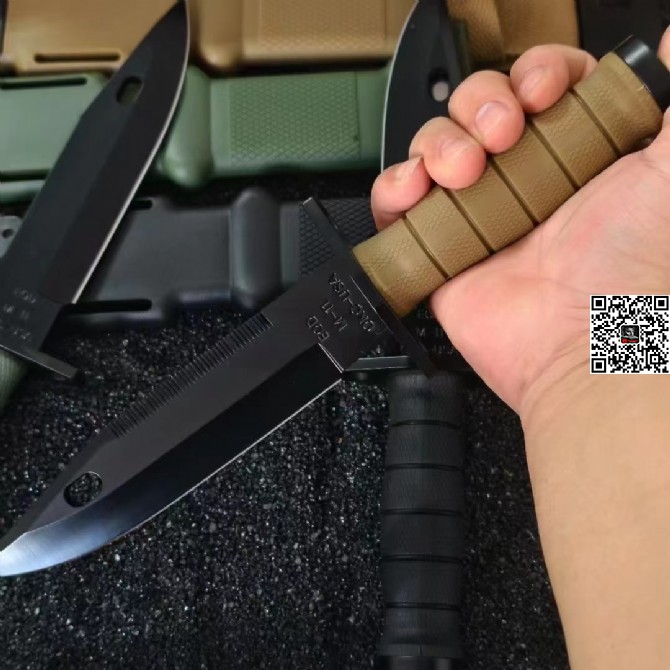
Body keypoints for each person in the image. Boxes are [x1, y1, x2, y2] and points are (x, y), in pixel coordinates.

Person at [370, 29, 670, 670]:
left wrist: (574, 362)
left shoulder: (591, 339)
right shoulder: (599, 335)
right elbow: (605, 364)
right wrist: (577, 357)